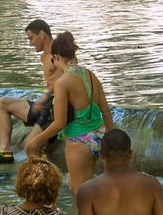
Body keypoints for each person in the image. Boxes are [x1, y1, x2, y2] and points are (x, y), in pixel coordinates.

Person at [25, 30, 112, 190]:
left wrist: (36, 140)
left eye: (53, 59)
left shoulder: (62, 82)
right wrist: (111, 137)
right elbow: (105, 111)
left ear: (57, 57)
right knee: (89, 189)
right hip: (100, 136)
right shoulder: (90, 75)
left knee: (81, 196)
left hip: (79, 141)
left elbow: (60, 123)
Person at [0, 19, 57, 155]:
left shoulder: (58, 52)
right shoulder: (44, 56)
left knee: (29, 146)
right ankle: (5, 151)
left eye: (31, 38)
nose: (30, 43)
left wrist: (44, 98)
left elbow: (63, 80)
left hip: (56, 108)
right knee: (2, 103)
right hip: (45, 105)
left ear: (41, 34)